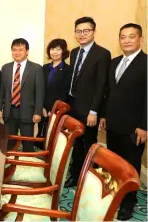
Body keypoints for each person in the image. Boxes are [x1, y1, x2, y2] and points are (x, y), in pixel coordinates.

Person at [100, 23, 147, 220]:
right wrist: (103, 115)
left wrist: (144, 126)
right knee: (114, 164)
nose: (126, 40)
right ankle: (116, 195)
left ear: (140, 39)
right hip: (113, 124)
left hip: (134, 127)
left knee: (131, 165)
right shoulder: (114, 62)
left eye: (131, 36)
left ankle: (129, 202)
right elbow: (108, 92)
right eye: (123, 37)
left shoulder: (145, 63)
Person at [64, 17, 111, 188]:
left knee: (89, 144)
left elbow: (101, 86)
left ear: (93, 32)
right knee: (75, 143)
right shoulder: (75, 52)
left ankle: (89, 179)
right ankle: (75, 174)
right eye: (78, 31)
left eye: (86, 31)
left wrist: (94, 111)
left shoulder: (102, 54)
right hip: (73, 105)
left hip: (89, 109)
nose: (81, 34)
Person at [0, 38, 44, 151]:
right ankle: (10, 166)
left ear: (27, 51)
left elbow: (40, 92)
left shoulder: (36, 68)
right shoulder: (5, 68)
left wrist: (38, 112)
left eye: (20, 50)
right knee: (9, 143)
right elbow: (2, 91)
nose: (17, 52)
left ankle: (28, 165)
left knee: (27, 144)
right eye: (14, 50)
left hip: (27, 112)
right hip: (9, 112)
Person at [37, 39, 72, 141]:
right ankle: (40, 154)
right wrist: (42, 107)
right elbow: (40, 88)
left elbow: (65, 93)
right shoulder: (45, 68)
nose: (54, 52)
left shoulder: (68, 69)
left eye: (58, 49)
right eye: (52, 49)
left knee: (54, 137)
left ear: (64, 51)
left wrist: (54, 110)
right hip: (43, 109)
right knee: (42, 134)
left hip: (58, 110)